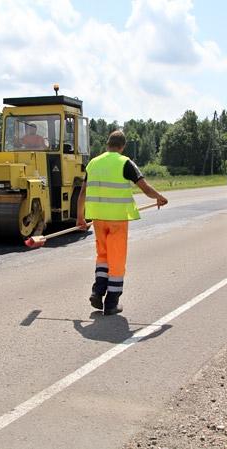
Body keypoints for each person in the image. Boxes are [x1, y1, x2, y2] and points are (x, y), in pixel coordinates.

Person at [76, 130, 168, 315]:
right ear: (122, 146)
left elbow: (83, 193)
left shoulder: (93, 163)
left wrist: (80, 217)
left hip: (98, 219)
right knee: (116, 259)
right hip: (117, 219)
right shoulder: (125, 162)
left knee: (103, 256)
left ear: (107, 144)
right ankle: (111, 302)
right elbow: (144, 187)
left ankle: (97, 291)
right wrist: (159, 197)